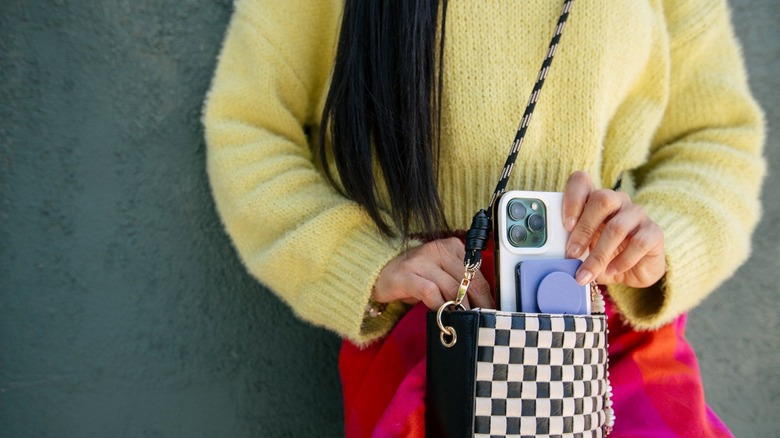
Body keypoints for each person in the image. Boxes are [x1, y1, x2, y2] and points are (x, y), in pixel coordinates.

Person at [203, 0, 765, 436]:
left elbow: (714, 137)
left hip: (603, 315)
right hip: (434, 324)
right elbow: (249, 126)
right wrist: (361, 265)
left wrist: (657, 241)